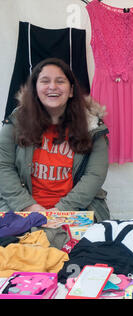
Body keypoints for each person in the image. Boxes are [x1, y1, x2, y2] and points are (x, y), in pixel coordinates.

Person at [0, 58, 110, 221]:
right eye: (45, 81)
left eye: (60, 81)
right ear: (35, 89)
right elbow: (3, 166)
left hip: (77, 209)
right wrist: (29, 206)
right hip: (21, 207)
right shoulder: (17, 121)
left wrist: (59, 211)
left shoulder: (92, 127)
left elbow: (94, 175)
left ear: (71, 90)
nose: (52, 86)